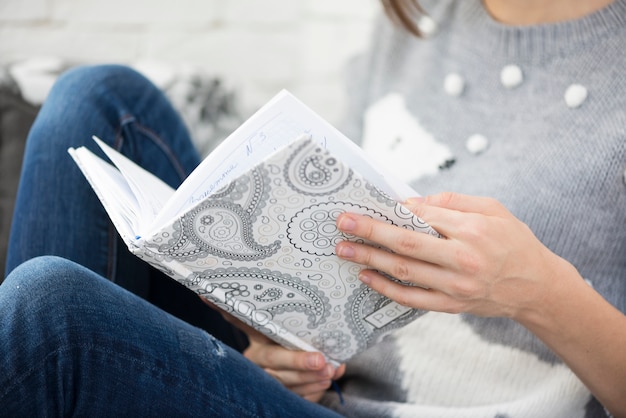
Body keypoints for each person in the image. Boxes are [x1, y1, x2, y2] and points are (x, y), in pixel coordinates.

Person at [2, 0, 625, 416]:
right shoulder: (420, 22)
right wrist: (277, 348)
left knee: (48, 313)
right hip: (324, 394)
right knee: (97, 101)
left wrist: (537, 291)